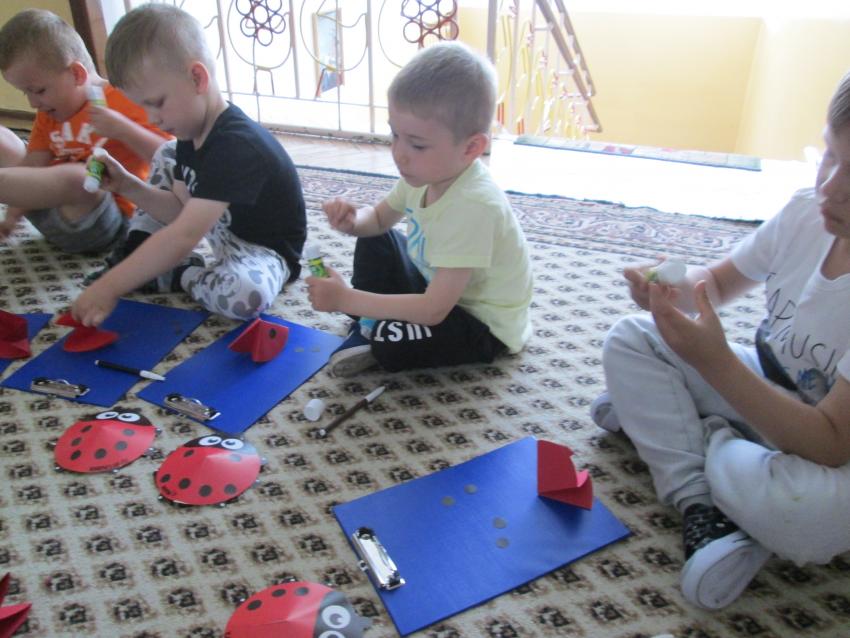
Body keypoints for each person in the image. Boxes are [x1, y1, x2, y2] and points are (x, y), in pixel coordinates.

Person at [590, 72, 850, 610]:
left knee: (804, 514)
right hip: (765, 382)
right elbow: (716, 284)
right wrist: (668, 288)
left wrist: (714, 364)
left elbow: (829, 444)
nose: (831, 187)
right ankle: (701, 504)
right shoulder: (807, 212)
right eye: (831, 155)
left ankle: (690, 431)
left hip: (830, 450)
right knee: (630, 339)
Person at [306, 41, 532, 377]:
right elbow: (378, 219)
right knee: (376, 239)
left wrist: (346, 299)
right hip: (435, 288)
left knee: (392, 341)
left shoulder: (474, 206)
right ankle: (372, 323)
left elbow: (433, 310)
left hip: (478, 323)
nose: (399, 153)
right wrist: (354, 221)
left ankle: (374, 329)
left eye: (417, 144)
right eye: (395, 135)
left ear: (471, 148)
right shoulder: (423, 176)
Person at [71, 4, 306, 325]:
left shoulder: (236, 146)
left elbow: (185, 234)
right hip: (217, 230)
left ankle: (180, 273)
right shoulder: (189, 133)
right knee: (165, 152)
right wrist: (127, 184)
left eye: (156, 103)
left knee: (245, 296)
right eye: (143, 107)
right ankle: (142, 251)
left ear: (197, 78)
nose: (152, 118)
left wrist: (109, 287)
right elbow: (180, 212)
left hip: (262, 253)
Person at [0, 8, 168, 253]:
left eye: (38, 91)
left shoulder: (126, 99)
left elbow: (169, 157)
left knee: (82, 176)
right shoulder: (49, 112)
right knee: (4, 140)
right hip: (51, 210)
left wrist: (124, 130)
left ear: (77, 74)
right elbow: (33, 166)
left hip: (105, 222)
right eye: (26, 93)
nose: (33, 103)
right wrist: (11, 217)